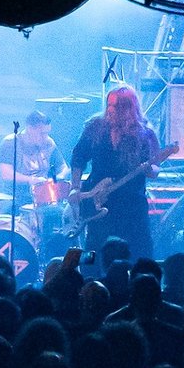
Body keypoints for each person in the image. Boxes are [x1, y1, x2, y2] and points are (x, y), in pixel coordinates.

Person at [70, 85, 161, 261]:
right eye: (108, 105)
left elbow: (155, 167)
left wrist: (150, 170)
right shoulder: (95, 127)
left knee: (138, 253)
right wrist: (75, 187)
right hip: (99, 201)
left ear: (128, 108)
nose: (110, 110)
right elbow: (78, 157)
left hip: (131, 204)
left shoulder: (145, 134)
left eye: (115, 106)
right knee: (95, 252)